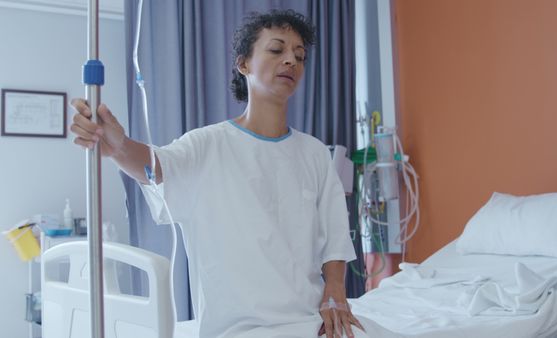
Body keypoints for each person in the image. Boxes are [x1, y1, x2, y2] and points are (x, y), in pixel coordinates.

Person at [70, 9, 366, 338]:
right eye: (276, 50)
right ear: (243, 64)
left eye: (299, 56)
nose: (291, 61)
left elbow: (335, 236)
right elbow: (156, 167)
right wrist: (119, 145)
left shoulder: (313, 153)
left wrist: (335, 293)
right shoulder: (208, 145)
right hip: (237, 327)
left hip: (311, 323)